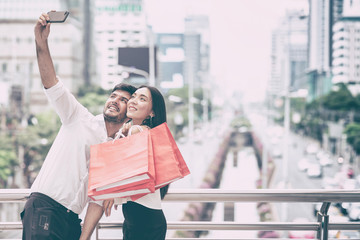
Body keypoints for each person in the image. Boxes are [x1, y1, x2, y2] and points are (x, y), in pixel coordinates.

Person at [20, 12, 136, 239]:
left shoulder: (116, 152)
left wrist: (84, 236)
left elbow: (97, 200)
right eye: (113, 96)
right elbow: (51, 83)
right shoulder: (77, 116)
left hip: (72, 219)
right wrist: (41, 42)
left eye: (123, 100)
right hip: (45, 206)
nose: (115, 101)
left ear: (128, 114)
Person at [80, 86, 169, 240]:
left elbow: (134, 178)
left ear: (152, 112)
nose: (134, 101)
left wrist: (113, 194)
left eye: (142, 99)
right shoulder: (140, 131)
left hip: (144, 222)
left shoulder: (138, 131)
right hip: (142, 219)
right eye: (133, 96)